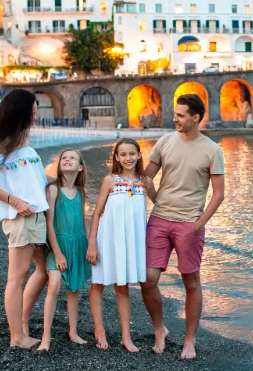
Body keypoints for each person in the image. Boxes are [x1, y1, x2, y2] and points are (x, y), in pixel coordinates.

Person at [142, 94, 225, 359]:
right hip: (159, 220)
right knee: (148, 278)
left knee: (191, 282)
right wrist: (155, 199)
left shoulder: (212, 149)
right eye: (175, 114)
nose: (174, 119)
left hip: (189, 224)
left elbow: (219, 193)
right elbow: (146, 176)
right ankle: (159, 329)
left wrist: (198, 224)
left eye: (180, 115)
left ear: (196, 117)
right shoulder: (165, 141)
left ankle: (190, 341)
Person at [0, 89, 49, 349]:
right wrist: (15, 201)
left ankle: (21, 322)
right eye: (34, 107)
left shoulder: (22, 139)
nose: (36, 111)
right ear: (23, 110)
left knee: (44, 270)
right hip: (21, 217)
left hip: (36, 215)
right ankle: (17, 336)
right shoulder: (3, 144)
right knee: (17, 277)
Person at [87, 138, 156, 352]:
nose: (128, 158)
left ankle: (126, 337)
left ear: (139, 155)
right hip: (107, 240)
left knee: (122, 287)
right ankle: (100, 331)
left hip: (129, 242)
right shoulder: (110, 180)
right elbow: (97, 213)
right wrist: (92, 244)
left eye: (132, 154)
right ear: (116, 157)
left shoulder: (145, 181)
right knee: (98, 284)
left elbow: (162, 204)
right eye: (123, 154)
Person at [38, 149, 91, 352]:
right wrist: (58, 253)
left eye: (72, 158)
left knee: (74, 290)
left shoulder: (81, 192)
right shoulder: (53, 190)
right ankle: (46, 336)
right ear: (60, 165)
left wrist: (88, 247)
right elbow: (49, 224)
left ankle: (73, 331)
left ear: (80, 167)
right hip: (58, 246)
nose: (67, 160)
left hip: (78, 246)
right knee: (54, 284)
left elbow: (82, 223)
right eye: (64, 158)